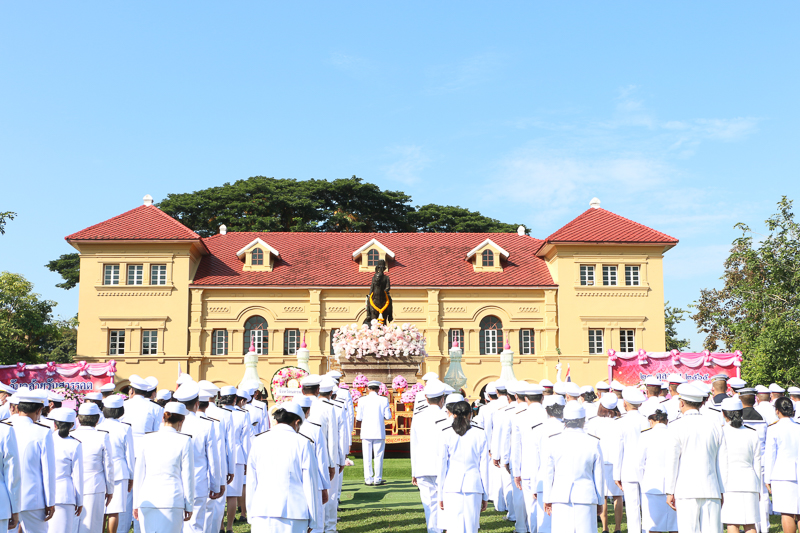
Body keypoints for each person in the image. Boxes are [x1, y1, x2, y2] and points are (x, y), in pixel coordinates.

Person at [246, 403, 320, 533]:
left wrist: (251, 511)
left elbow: (252, 480)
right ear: (297, 422)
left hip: (262, 511)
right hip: (294, 513)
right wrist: (313, 518)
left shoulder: (258, 440)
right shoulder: (302, 443)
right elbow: (309, 483)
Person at [664, 383, 724, 533]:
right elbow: (721, 461)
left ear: (682, 402)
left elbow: (672, 461)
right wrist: (722, 490)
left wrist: (669, 490)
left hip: (686, 490)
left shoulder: (676, 426)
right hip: (711, 488)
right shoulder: (715, 425)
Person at [133, 402, 195, 533]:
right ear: (182, 421)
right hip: (172, 500)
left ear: (163, 418)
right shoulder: (184, 441)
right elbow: (188, 476)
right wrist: (189, 505)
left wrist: (136, 503)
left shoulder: (146, 438)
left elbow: (138, 474)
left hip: (147, 499)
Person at [542, 402, 604, 533]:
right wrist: (600, 500)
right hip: (586, 496)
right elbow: (598, 475)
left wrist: (547, 498)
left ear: (565, 421)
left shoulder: (553, 441)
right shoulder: (593, 442)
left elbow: (548, 473)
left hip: (560, 496)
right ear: (583, 421)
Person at [174, 382, 223, 533]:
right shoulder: (206, 425)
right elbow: (213, 459)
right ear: (197, 404)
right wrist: (216, 485)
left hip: (175, 483)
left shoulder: (170, 424)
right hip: (198, 482)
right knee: (195, 526)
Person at [437, 401, 489, 533]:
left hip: (451, 485)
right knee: (471, 527)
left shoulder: (446, 433)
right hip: (473, 485)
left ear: (453, 414)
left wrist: (440, 495)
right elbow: (484, 467)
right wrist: (485, 495)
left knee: (453, 527)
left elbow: (441, 467)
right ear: (470, 414)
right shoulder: (480, 433)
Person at [12, 389, 56, 533]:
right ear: (39, 410)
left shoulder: (4, 427)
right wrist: (50, 502)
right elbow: (48, 470)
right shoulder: (43, 432)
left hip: (7, 497)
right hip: (33, 499)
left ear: (17, 408)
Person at [719, 398, 761, 533]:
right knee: (750, 524)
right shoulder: (752, 433)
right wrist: (758, 487)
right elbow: (757, 464)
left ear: (724, 414)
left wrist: (720, 487)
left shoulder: (721, 433)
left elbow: (720, 462)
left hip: (729, 483)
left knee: (733, 523)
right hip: (750, 482)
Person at [198, 381, 235, 533]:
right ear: (215, 396)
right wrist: (231, 469)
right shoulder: (225, 414)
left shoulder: (187, 417)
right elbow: (230, 445)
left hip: (198, 466)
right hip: (219, 464)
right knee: (217, 506)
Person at [410, 380, 447, 533]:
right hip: (441, 466)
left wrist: (414, 471)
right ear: (442, 399)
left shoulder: (418, 416)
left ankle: (433, 530)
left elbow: (414, 445)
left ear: (426, 398)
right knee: (443, 502)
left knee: (428, 503)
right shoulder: (446, 416)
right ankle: (443, 528)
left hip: (423, 466)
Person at [72, 402, 115, 533]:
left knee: (72, 525)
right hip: (95, 485)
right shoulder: (102, 436)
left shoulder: (71, 433)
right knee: (92, 526)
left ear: (78, 419)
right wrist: (110, 488)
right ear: (97, 420)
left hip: (72, 485)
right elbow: (108, 465)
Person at [585, 392, 623, 533]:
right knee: (617, 495)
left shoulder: (594, 421)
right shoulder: (619, 422)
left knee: (604, 496)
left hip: (601, 460)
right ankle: (618, 528)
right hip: (616, 461)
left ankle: (605, 528)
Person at [637, 404, 677, 533]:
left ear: (650, 420)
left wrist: (643, 484)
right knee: (675, 526)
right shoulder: (675, 434)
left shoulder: (645, 436)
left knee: (653, 526)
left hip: (651, 486)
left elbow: (639, 465)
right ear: (666, 420)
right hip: (674, 487)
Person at [98, 395, 134, 533]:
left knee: (101, 511)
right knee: (114, 511)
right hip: (119, 471)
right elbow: (129, 455)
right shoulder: (125, 428)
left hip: (101, 470)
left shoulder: (98, 426)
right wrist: (131, 476)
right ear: (120, 411)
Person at [294, 395, 330, 533]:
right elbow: (322, 460)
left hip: (294, 480)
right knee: (316, 521)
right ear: (308, 411)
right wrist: (325, 486)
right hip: (314, 481)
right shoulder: (315, 429)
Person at [614, 386, 648, 533]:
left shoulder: (621, 422)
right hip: (646, 468)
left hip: (627, 469)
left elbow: (618, 450)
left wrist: (616, 474)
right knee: (646, 505)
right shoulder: (646, 420)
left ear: (625, 404)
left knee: (632, 507)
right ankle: (647, 529)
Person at [764, 396, 800, 533]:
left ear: (777, 410)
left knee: (787, 512)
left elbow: (770, 456)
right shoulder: (798, 427)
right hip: (797, 472)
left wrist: (767, 478)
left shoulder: (773, 429)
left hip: (782, 475)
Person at [219, 386, 250, 533]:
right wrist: (247, 459)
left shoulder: (216, 413)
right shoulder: (243, 414)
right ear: (235, 399)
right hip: (237, 455)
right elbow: (246, 441)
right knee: (232, 494)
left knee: (219, 493)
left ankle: (220, 526)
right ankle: (230, 527)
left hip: (219, 455)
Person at [48, 407, 82, 533]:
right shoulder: (75, 444)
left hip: (44, 495)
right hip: (65, 495)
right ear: (72, 425)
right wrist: (80, 501)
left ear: (54, 424)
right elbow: (78, 476)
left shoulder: (45, 440)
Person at [356, 381, 391, 486]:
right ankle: (377, 478)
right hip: (378, 431)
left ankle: (368, 478)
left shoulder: (362, 400)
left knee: (366, 456)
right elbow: (388, 416)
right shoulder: (383, 400)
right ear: (378, 389)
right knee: (378, 455)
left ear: (368, 389)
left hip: (366, 431)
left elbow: (358, 417)